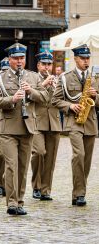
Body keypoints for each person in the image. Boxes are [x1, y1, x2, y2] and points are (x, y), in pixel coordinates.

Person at [0, 43, 49, 215]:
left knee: (23, 167)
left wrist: (30, 91)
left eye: (21, 58)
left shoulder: (32, 77)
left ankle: (20, 201)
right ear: (9, 59)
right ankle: (12, 202)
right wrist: (12, 99)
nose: (19, 61)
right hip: (8, 128)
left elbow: (45, 97)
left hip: (28, 127)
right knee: (11, 166)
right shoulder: (0, 77)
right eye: (15, 58)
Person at [52, 44, 99, 206]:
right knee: (78, 155)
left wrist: (96, 96)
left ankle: (78, 192)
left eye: (88, 58)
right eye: (83, 58)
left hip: (90, 123)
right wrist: (70, 106)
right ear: (76, 59)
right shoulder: (65, 77)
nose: (86, 61)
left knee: (86, 160)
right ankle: (80, 193)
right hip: (74, 122)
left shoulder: (95, 78)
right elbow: (55, 100)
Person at [31, 50, 62, 200]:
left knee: (50, 158)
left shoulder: (59, 80)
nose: (47, 67)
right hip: (37, 121)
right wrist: (43, 84)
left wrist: (56, 88)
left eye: (49, 64)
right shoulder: (32, 78)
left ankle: (45, 190)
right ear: (38, 65)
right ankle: (36, 186)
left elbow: (62, 100)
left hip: (54, 122)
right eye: (44, 64)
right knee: (39, 152)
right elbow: (29, 96)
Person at [0, 57, 9, 196]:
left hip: (8, 122)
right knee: (0, 155)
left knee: (7, 156)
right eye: (3, 70)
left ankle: (5, 182)